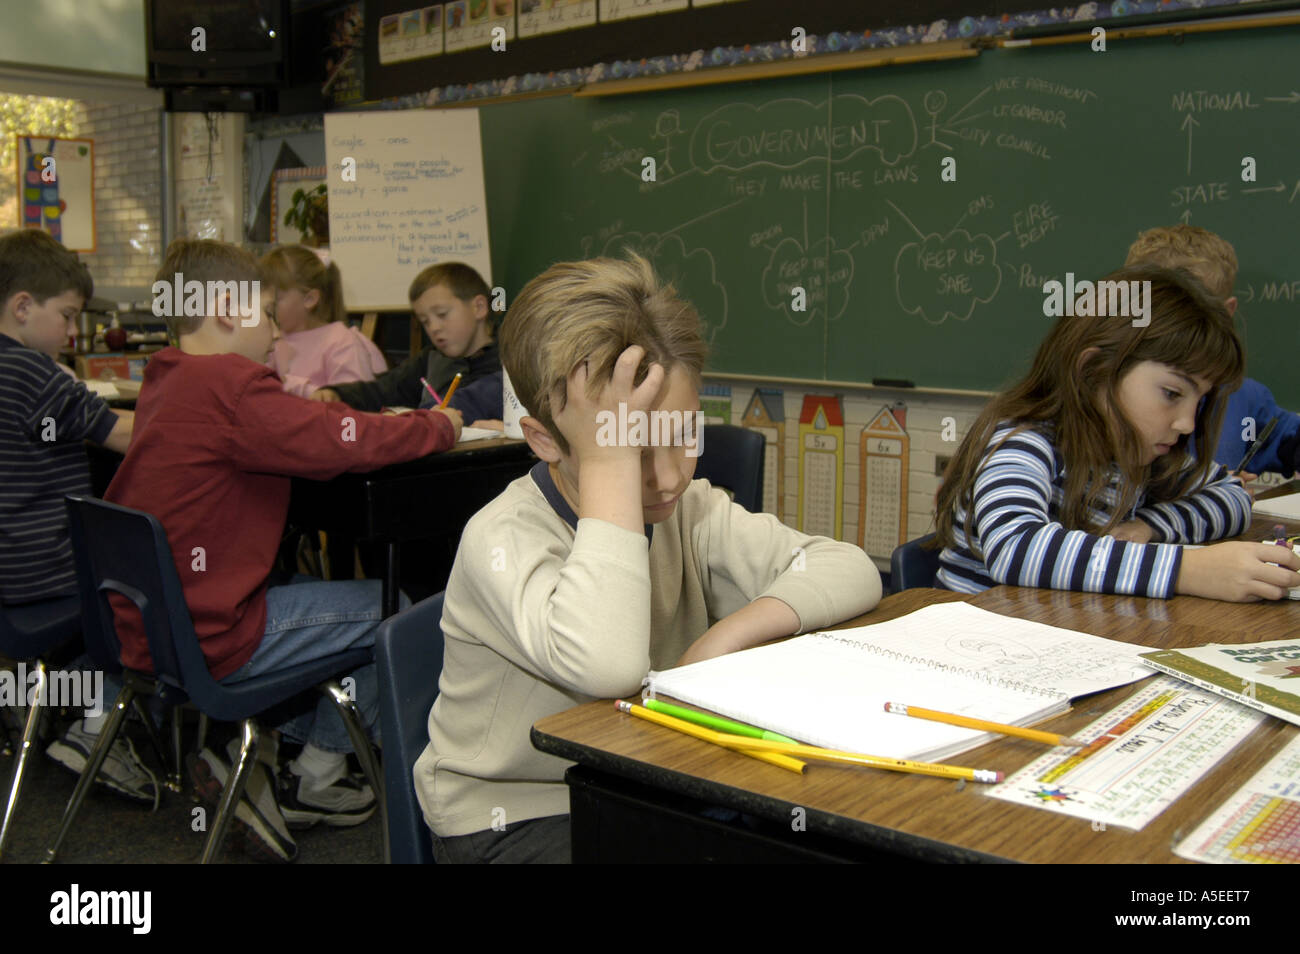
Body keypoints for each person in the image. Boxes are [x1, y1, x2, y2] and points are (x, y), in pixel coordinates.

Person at [414, 254, 881, 863]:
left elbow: (849, 567)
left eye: (686, 435)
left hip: (649, 780)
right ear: (545, 440)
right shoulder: (500, 538)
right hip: (517, 812)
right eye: (632, 449)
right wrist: (611, 461)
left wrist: (726, 636)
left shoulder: (689, 509)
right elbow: (608, 666)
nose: (667, 477)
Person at [104, 239, 462, 861]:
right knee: (395, 609)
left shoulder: (166, 378)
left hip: (151, 631)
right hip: (214, 637)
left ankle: (277, 762)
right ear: (224, 309)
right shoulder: (233, 387)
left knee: (314, 590)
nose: (275, 333)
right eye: (266, 313)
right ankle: (318, 774)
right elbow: (338, 439)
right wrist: (441, 426)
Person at [933, 264, 1300, 602]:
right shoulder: (1024, 442)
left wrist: (1150, 526)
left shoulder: (1141, 453)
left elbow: (1232, 495)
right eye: (1172, 394)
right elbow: (1015, 548)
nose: (1187, 423)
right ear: (1095, 371)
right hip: (972, 647)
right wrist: (1188, 570)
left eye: (1199, 400)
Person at [0, 229, 156, 803]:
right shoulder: (32, 373)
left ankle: (32, 699)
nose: (72, 332)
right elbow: (122, 434)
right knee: (160, 584)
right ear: (22, 307)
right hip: (42, 573)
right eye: (66, 316)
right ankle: (97, 730)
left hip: (9, 576)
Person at [1124, 223, 1300, 479]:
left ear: (1225, 315)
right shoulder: (1104, 395)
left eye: (1195, 316)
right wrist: (1209, 492)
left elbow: (1285, 438)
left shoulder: (1241, 395)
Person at [311, 261, 498, 411]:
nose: (433, 328)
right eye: (424, 321)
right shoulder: (431, 358)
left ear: (479, 307)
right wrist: (337, 394)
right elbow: (383, 390)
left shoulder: (509, 358)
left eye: (442, 314)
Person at [259, 245, 386, 397]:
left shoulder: (342, 343)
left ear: (309, 299)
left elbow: (352, 404)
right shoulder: (273, 340)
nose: (265, 309)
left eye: (274, 300)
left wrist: (293, 386)